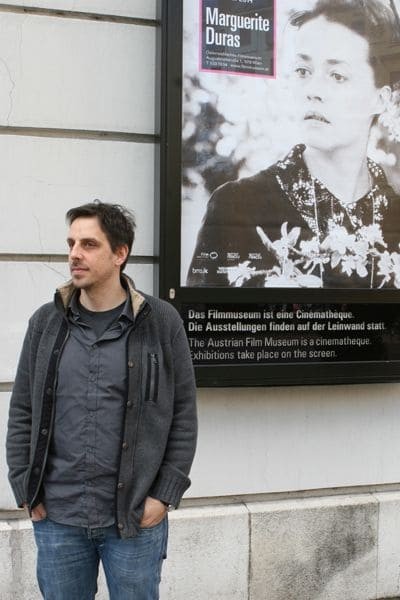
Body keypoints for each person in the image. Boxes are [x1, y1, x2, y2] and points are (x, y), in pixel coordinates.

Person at [6, 201, 197, 600]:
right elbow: (22, 409)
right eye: (71, 243)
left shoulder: (161, 323)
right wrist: (24, 486)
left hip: (133, 518)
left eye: (89, 244)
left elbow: (182, 415)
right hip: (58, 517)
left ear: (119, 254)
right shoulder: (45, 323)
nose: (75, 254)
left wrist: (163, 495)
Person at [187, 0, 400, 288]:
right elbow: (202, 313)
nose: (313, 91)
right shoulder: (237, 206)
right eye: (303, 71)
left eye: (337, 76)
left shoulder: (395, 216)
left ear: (381, 99)